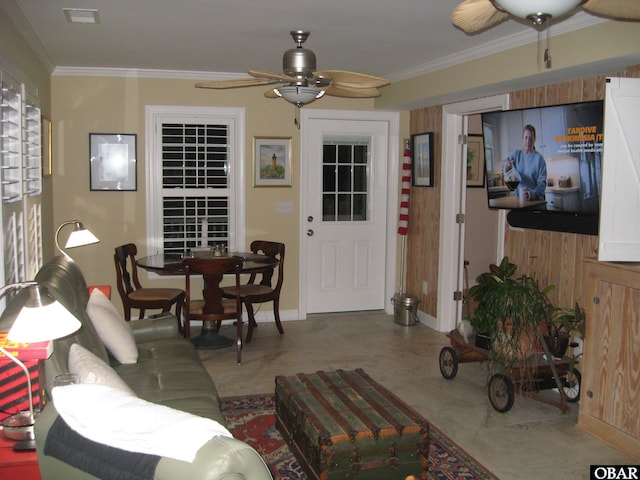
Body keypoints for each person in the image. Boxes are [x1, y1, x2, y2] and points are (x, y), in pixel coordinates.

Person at [502, 124, 547, 201]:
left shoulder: (539, 159)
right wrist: (506, 165)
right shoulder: (517, 154)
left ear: (534, 139)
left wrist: (532, 194)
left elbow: (542, 183)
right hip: (519, 200)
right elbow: (504, 164)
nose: (528, 141)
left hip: (535, 201)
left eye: (530, 138)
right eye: (526, 138)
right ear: (522, 138)